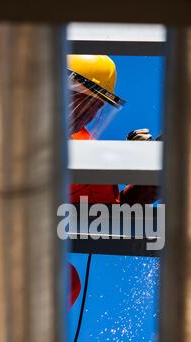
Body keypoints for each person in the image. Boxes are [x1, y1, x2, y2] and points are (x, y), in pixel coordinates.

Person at [67, 55, 159, 307]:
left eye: (97, 108)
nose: (87, 115)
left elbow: (114, 215)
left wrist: (149, 168)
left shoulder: (83, 151)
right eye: (83, 102)